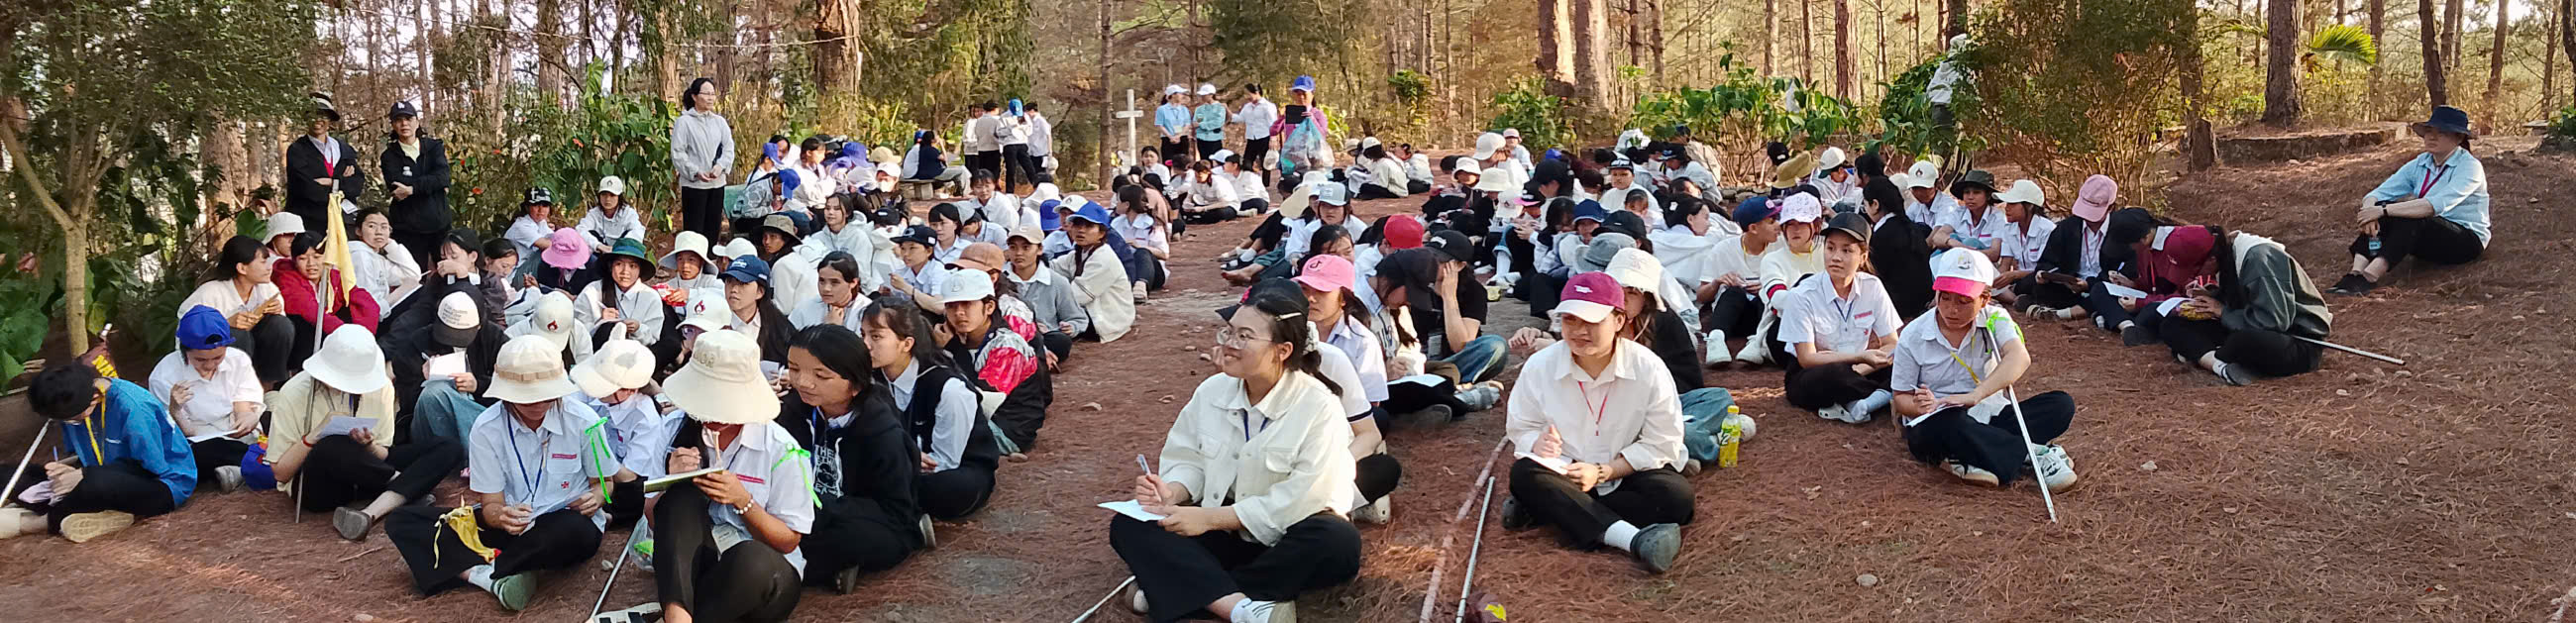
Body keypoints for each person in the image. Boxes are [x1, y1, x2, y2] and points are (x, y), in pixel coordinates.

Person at [1111, 285, 1361, 623]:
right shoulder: (1211, 391)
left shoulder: (1319, 407)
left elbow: (1301, 499)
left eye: (1244, 336)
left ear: (1282, 350)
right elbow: (1188, 458)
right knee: (1129, 523)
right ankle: (1240, 609)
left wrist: (1210, 518)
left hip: (1286, 536)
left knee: (1337, 541)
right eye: (1229, 332)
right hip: (1224, 535)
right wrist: (1172, 491)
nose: (1229, 343)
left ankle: (1183, 592)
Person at [381, 335, 610, 611]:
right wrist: (501, 517)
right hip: (511, 527)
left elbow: (605, 483)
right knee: (404, 521)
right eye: (527, 398)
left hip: (562, 522)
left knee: (571, 531)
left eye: (546, 395)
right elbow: (491, 504)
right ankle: (491, 577)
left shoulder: (585, 421)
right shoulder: (486, 428)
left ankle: (481, 567)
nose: (538, 403)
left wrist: (597, 497)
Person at [1497, 272, 1690, 573]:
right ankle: (1632, 539)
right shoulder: (1540, 366)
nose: (1579, 331)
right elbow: (1521, 426)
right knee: (1524, 474)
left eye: (1591, 321)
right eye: (1570, 320)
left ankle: (1552, 511)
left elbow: (1662, 441)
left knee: (1676, 498)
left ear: (1618, 320)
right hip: (1566, 471)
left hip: (1624, 471)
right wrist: (1537, 442)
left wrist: (1604, 471)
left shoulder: (1648, 367)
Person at [636, 329, 817, 623]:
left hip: (763, 577)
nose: (713, 415)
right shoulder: (673, 429)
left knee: (752, 559)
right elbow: (654, 517)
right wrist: (671, 480)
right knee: (680, 497)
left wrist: (743, 501)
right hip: (698, 567)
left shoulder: (779, 448)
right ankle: (677, 615)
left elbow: (788, 541)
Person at [1890, 250, 2079, 490]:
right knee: (1948, 426)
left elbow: (2019, 357)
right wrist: (1920, 406)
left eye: (1964, 301)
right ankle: (2033, 455)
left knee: (2060, 405)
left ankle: (1972, 453)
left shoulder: (1994, 318)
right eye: (1944, 298)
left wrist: (1976, 395)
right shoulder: (1913, 334)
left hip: (1988, 412)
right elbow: (1901, 397)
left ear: (1985, 299)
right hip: (1938, 419)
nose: (1951, 309)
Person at [266, 326, 467, 540]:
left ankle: (371, 513)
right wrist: (314, 435)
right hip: (321, 485)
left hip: (369, 471)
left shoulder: (381, 387)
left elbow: (383, 453)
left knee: (448, 447)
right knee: (331, 445)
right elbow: (281, 473)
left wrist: (369, 445)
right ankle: (406, 487)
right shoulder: (295, 392)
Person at [773, 324, 926, 593]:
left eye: (821, 375)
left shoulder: (881, 432)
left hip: (860, 518)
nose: (803, 382)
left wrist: (822, 507)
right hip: (805, 510)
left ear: (855, 385)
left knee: (845, 539)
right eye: (794, 369)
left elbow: (894, 510)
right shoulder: (794, 411)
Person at [0, 363, 196, 542]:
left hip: (161, 486)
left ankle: (35, 523)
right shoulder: (73, 403)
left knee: (95, 483)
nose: (69, 423)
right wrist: (65, 471)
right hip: (99, 476)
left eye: (72, 420)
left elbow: (151, 468)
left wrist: (84, 474)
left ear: (94, 399)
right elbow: (85, 457)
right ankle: (96, 513)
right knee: (6, 475)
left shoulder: (133, 407)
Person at [2333, 105, 2491, 295]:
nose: (2432, 137)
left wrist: (2381, 210)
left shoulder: (2469, 167)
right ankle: (2355, 272)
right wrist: (2369, 212)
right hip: (2430, 233)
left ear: (2458, 138)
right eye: (2429, 131)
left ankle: (2369, 277)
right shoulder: (2421, 162)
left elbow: (2432, 206)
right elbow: (2378, 193)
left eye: (2441, 133)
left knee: (2408, 215)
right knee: (2386, 209)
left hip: (2465, 240)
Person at [2153, 225, 2333, 385]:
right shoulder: (2226, 256)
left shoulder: (2258, 260)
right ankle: (2220, 365)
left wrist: (2222, 311)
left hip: (2295, 340)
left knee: (2242, 341)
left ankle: (2205, 354)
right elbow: (2243, 300)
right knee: (2172, 324)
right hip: (2250, 326)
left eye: (2194, 271)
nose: (2194, 276)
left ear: (2211, 260)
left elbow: (2273, 321)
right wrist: (2212, 296)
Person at [1776, 213, 1901, 424]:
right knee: (1834, 375)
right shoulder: (1802, 295)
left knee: (1907, 362)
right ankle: (1884, 397)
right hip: (1814, 372)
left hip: (1862, 368)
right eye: (1830, 248)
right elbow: (1807, 358)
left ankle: (1862, 403)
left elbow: (1891, 343)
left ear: (1863, 257)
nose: (1835, 257)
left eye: (1847, 250)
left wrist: (1860, 369)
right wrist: (1858, 358)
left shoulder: (1872, 286)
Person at [149, 306, 266, 490]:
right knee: (198, 454)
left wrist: (246, 417)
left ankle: (240, 469)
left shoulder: (238, 360)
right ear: (184, 351)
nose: (210, 365)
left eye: (218, 357)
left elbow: (243, 404)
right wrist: (175, 410)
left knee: (274, 415)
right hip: (197, 439)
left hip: (235, 430)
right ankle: (255, 463)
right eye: (200, 360)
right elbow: (181, 434)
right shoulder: (164, 376)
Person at [1374, 240, 1509, 384]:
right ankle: (1444, 384)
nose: (1429, 265)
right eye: (1427, 257)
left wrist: (1449, 298)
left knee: (1495, 346)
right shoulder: (1415, 282)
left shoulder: (1473, 290)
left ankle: (1443, 383)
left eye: (1438, 261)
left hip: (1452, 360)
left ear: (1459, 265)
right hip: (1419, 358)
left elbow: (1460, 345)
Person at [180, 236, 294, 386]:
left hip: (258, 352)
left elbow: (279, 331)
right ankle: (234, 387)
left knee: (280, 325)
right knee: (237, 335)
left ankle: (269, 387)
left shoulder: (268, 289)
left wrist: (277, 312)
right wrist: (225, 324)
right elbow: (187, 332)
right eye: (262, 262)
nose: (269, 267)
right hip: (218, 359)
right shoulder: (209, 294)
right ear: (242, 268)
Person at [2023, 175, 2131, 327]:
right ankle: (2095, 312)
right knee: (2039, 286)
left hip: (2101, 285)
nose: (2088, 218)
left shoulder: (2121, 231)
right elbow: (2047, 261)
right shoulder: (2067, 227)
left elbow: (2123, 272)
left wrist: (2088, 285)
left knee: (2105, 292)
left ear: (2110, 208)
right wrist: (2049, 275)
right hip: (2071, 287)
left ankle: (2064, 313)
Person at [275, 231, 384, 367]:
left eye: (317, 257)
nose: (311, 264)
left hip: (330, 332)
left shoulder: (333, 276)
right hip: (300, 340)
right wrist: (346, 335)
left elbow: (365, 301)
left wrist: (363, 337)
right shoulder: (286, 278)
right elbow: (310, 310)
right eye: (302, 259)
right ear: (294, 261)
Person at [1697, 198, 1782, 366]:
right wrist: (1717, 283)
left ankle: (1758, 342)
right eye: (1772, 221)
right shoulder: (1723, 249)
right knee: (1733, 292)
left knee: (1768, 293)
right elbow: (1701, 296)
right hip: (1733, 319)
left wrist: (1769, 287)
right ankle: (1716, 340)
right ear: (1753, 228)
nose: (1778, 225)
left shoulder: (1782, 246)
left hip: (1766, 318)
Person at [1004, 224, 1087, 368]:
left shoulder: (1057, 281)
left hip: (1043, 337)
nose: (1018, 253)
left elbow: (1077, 318)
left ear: (1040, 249)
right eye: (1013, 247)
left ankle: (1029, 359)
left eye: (1026, 247)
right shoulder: (1000, 280)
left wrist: (1071, 327)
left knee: (1060, 341)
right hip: (1008, 336)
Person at [380, 100, 451, 268]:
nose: (404, 124)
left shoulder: (434, 147)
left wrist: (412, 189)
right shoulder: (389, 156)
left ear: (417, 122)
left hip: (439, 226)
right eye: (398, 120)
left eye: (408, 119)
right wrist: (432, 184)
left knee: (448, 272)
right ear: (393, 125)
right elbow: (397, 187)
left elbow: (443, 177)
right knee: (413, 276)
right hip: (408, 230)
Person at [282, 92, 369, 228]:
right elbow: (307, 189)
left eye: (322, 115)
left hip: (342, 220)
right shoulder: (297, 150)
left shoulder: (344, 149)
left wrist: (331, 182)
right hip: (308, 222)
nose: (317, 120)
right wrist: (342, 185)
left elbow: (357, 185)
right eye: (312, 115)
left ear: (330, 120)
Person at [1053, 203, 1137, 342]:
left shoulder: (1103, 258)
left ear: (1101, 233)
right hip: (1091, 312)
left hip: (1106, 320)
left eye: (1089, 226)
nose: (1081, 230)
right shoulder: (1079, 253)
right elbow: (1054, 268)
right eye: (1077, 225)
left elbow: (1078, 296)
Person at [576, 240, 669, 356]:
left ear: (640, 270)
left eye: (632, 266)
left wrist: (638, 328)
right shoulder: (592, 291)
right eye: (619, 264)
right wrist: (600, 321)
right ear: (610, 266)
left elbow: (653, 338)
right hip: (597, 356)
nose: (625, 271)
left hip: (634, 357)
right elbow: (577, 330)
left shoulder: (651, 297)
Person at [1865, 177, 1938, 324]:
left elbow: (1875, 275)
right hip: (1922, 304)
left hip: (1898, 310)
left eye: (1865, 204)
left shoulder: (1882, 236)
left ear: (1875, 205)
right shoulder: (1912, 227)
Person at [673, 78, 736, 242]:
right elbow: (678, 153)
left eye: (713, 94)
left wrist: (720, 167)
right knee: (694, 232)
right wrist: (696, 172)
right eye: (706, 94)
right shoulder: (684, 122)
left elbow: (728, 148)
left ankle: (711, 256)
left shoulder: (720, 122)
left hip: (717, 184)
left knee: (713, 228)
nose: (710, 98)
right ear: (694, 97)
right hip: (694, 186)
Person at [717, 256, 798, 363]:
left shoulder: (779, 328)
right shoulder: (712, 320)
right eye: (729, 281)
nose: (734, 289)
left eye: (743, 283)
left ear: (760, 292)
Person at [1988, 180, 2055, 309]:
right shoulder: (2009, 229)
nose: (2007, 208)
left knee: (2038, 284)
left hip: (2041, 279)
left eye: (2013, 204)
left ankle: (2020, 298)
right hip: (2021, 280)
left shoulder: (2047, 230)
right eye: (2007, 203)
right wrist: (1996, 281)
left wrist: (2015, 274)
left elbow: (2047, 270)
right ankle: (2018, 299)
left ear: (2029, 206)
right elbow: (2005, 265)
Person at [348, 209, 423, 306]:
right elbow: (366, 301)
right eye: (371, 226)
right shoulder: (359, 255)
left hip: (379, 310)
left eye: (384, 227)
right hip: (370, 312)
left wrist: (391, 244)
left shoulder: (377, 258)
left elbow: (413, 276)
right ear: (358, 231)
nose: (379, 232)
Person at [1272, 75, 1335, 190]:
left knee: (1312, 188)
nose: (1301, 97)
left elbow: (1322, 135)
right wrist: (1282, 118)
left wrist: (1312, 120)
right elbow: (1273, 131)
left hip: (1313, 160)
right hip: (1292, 160)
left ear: (1312, 94)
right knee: (1290, 188)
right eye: (1297, 93)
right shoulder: (1290, 114)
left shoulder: (1318, 114)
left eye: (1304, 94)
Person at [1113, 185, 1172, 299]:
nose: (1116, 204)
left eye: (1118, 201)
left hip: (1153, 273)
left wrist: (1139, 247)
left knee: (1142, 252)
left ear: (1127, 204)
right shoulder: (1116, 223)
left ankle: (1141, 286)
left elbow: (1165, 255)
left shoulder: (1151, 225)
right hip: (1128, 268)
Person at [789, 252, 869, 331]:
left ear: (853, 283)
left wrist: (833, 328)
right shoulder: (804, 309)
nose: (826, 288)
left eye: (834, 282)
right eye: (822, 281)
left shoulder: (866, 311)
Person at [888, 225, 952, 313]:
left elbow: (940, 307)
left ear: (928, 251)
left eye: (912, 248)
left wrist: (906, 288)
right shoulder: (901, 271)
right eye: (902, 248)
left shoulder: (939, 272)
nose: (905, 254)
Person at [579, 176, 647, 256]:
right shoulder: (594, 213)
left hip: (622, 253)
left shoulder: (628, 213)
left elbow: (638, 230)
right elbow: (580, 230)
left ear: (619, 197)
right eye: (604, 194)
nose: (607, 199)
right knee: (589, 235)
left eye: (612, 195)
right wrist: (598, 245)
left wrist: (621, 247)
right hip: (600, 253)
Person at [905, 130, 971, 195]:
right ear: (932, 140)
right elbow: (945, 159)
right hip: (936, 173)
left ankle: (958, 191)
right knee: (961, 171)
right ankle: (963, 192)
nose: (938, 137)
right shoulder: (931, 150)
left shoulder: (922, 149)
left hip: (926, 173)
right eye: (936, 136)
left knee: (957, 172)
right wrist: (941, 145)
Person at [1234, 84, 1278, 182]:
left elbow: (1273, 123)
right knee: (1247, 162)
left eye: (1248, 94)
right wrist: (1228, 113)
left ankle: (1265, 184)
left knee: (1265, 162)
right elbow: (1240, 118)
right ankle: (1249, 181)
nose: (1247, 97)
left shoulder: (1268, 106)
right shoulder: (1247, 106)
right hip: (1251, 137)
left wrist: (1273, 138)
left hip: (1264, 136)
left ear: (1256, 93)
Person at [1901, 160, 1961, 229]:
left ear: (1936, 185)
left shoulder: (1948, 206)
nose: (1919, 193)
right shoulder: (1916, 206)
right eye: (1915, 188)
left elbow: (1939, 232)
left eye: (1924, 188)